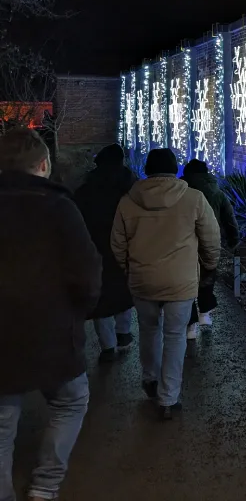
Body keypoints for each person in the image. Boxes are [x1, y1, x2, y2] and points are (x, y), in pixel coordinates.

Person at [0, 127, 102, 501]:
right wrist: (80, 311)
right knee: (71, 401)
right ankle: (45, 484)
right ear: (43, 165)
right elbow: (87, 274)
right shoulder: (59, 207)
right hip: (53, 333)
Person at [111, 148, 221, 420]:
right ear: (175, 170)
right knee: (175, 336)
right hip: (180, 281)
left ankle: (150, 379)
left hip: (143, 280)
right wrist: (209, 264)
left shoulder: (128, 201)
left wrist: (129, 269)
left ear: (146, 170)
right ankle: (168, 398)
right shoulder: (194, 199)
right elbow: (211, 238)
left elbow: (117, 243)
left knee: (149, 330)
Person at [74, 144, 136, 363]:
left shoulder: (86, 190)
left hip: (95, 250)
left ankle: (107, 345)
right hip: (125, 248)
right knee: (124, 291)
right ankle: (124, 333)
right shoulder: (131, 188)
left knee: (101, 297)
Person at [181, 159, 239, 339]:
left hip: (186, 242)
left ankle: (191, 326)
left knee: (187, 280)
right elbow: (229, 217)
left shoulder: (182, 191)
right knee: (207, 275)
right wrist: (233, 240)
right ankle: (204, 313)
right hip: (210, 240)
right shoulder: (217, 192)